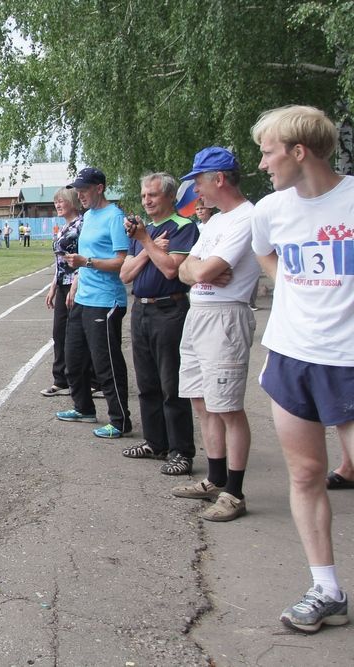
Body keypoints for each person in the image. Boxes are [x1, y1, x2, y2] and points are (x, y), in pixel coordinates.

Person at [249, 105, 353, 632]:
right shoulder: (271, 209)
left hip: (350, 360)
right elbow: (267, 253)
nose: (262, 163)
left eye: (268, 152)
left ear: (298, 151)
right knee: (308, 473)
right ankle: (326, 588)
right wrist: (289, 282)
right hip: (291, 356)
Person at [171, 147, 261, 522]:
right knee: (201, 401)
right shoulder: (215, 223)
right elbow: (185, 270)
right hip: (200, 313)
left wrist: (199, 270)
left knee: (226, 406)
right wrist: (198, 269)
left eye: (199, 182)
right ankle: (215, 477)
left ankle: (235, 493)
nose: (197, 192)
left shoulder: (246, 218)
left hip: (225, 317)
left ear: (219, 179)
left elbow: (205, 271)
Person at [118, 173, 199, 475]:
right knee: (147, 382)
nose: (147, 201)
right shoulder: (145, 231)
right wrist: (150, 248)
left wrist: (146, 244)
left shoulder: (183, 227)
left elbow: (170, 270)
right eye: (143, 196)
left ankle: (181, 450)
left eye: (152, 195)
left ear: (169, 197)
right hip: (141, 309)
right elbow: (126, 275)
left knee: (172, 384)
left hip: (169, 310)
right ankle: (156, 441)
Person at [55, 167, 132, 438]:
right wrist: (75, 285)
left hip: (105, 300)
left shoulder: (115, 217)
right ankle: (83, 408)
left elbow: (123, 262)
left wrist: (87, 262)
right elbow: (84, 256)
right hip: (84, 297)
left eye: (85, 189)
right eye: (78, 189)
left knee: (106, 363)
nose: (80, 194)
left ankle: (120, 420)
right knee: (73, 358)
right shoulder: (88, 217)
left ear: (100, 188)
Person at [41, 188, 84, 398]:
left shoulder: (81, 225)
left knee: (76, 335)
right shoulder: (63, 228)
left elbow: (83, 257)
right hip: (63, 283)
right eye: (56, 202)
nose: (58, 205)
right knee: (59, 332)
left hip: (78, 284)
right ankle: (61, 379)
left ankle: (89, 380)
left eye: (62, 201)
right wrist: (53, 286)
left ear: (73, 202)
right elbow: (60, 261)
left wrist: (74, 285)